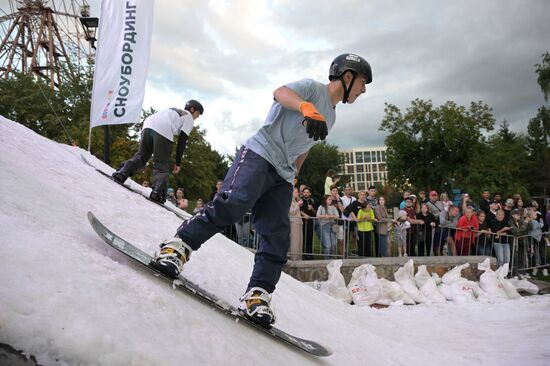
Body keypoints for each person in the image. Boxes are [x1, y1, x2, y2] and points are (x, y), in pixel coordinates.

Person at [148, 53, 372, 326]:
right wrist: (305, 107)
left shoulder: (332, 118)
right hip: (259, 153)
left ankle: (257, 294)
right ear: (347, 77)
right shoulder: (313, 89)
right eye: (362, 82)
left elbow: (305, 148)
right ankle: (175, 249)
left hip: (283, 174)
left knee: (277, 235)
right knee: (234, 203)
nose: (363, 90)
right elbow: (279, 92)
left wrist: (293, 179)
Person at [112, 100, 204, 203]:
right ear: (192, 109)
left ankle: (122, 173)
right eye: (198, 113)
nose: (198, 117)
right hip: (163, 130)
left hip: (148, 125)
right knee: (161, 164)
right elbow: (182, 140)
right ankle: (157, 193)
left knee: (142, 155)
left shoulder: (174, 109)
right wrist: (178, 162)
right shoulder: (189, 117)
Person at [317, 195, 340, 259]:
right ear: (325, 200)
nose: (330, 200)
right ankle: (326, 259)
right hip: (324, 226)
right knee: (328, 245)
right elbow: (317, 215)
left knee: (333, 244)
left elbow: (337, 216)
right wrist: (324, 216)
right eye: (329, 199)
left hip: (333, 225)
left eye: (331, 199)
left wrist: (332, 216)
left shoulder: (333, 207)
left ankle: (332, 258)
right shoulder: (321, 207)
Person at [300, 186, 317, 259]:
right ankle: (303, 254)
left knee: (310, 237)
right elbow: (298, 210)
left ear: (310, 194)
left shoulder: (312, 201)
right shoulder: (300, 201)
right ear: (303, 193)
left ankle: (309, 254)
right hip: (302, 222)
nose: (306, 194)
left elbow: (315, 212)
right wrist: (304, 214)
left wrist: (312, 208)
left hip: (310, 222)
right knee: (303, 237)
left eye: (307, 192)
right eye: (304, 192)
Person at [341, 185, 357, 256]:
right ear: (344, 191)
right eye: (346, 190)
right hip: (345, 220)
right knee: (346, 236)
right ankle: (345, 250)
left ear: (351, 190)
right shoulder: (342, 199)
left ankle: (353, 250)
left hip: (352, 220)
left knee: (354, 235)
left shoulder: (354, 199)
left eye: (349, 190)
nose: (348, 191)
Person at [288, 187, 303, 261]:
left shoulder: (296, 201)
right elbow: (292, 212)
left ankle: (299, 257)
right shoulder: (289, 200)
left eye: (297, 192)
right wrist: (298, 204)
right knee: (295, 241)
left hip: (298, 222)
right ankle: (294, 258)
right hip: (293, 222)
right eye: (296, 192)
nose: (297, 193)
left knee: (300, 240)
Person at [329, 186, 345, 254]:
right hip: (331, 222)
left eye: (336, 191)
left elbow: (342, 210)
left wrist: (338, 200)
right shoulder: (328, 199)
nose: (335, 192)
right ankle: (333, 255)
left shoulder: (339, 199)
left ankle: (341, 255)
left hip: (339, 222)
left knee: (341, 240)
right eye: (333, 191)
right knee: (333, 241)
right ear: (331, 192)